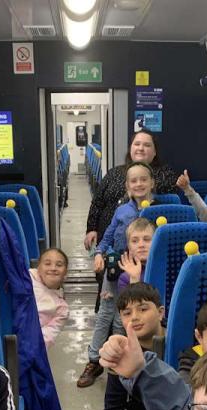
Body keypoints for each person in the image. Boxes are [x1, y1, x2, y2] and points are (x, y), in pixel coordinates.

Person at [78, 164, 156, 388]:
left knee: (126, 319)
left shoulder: (160, 209)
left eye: (143, 179)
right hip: (117, 265)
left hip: (145, 267)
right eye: (134, 181)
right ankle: (94, 360)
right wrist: (99, 253)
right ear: (127, 186)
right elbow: (109, 234)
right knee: (106, 314)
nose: (139, 184)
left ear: (151, 183)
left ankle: (122, 360)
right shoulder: (122, 210)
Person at [84, 130, 178, 255]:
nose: (141, 148)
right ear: (130, 148)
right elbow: (97, 202)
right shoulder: (114, 173)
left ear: (155, 152)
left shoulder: (164, 174)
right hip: (111, 243)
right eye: (137, 144)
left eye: (147, 145)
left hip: (144, 245)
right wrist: (92, 229)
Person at [30, 247, 70, 349]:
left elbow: (46, 337)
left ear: (65, 272)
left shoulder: (62, 309)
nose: (53, 268)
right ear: (38, 268)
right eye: (47, 264)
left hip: (27, 342)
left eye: (59, 265)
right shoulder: (27, 278)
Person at [116, 217, 155, 294]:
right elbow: (133, 305)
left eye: (147, 239)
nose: (141, 245)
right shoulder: (125, 278)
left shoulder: (167, 268)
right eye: (134, 241)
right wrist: (134, 279)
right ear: (129, 247)